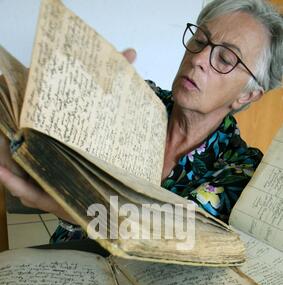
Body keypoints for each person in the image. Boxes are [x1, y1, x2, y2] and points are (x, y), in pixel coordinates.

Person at [0, 0, 282, 243]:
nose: (198, 59)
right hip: (62, 267)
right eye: (199, 41)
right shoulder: (136, 96)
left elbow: (170, 246)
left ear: (247, 95)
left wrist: (78, 210)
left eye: (225, 58)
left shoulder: (240, 172)